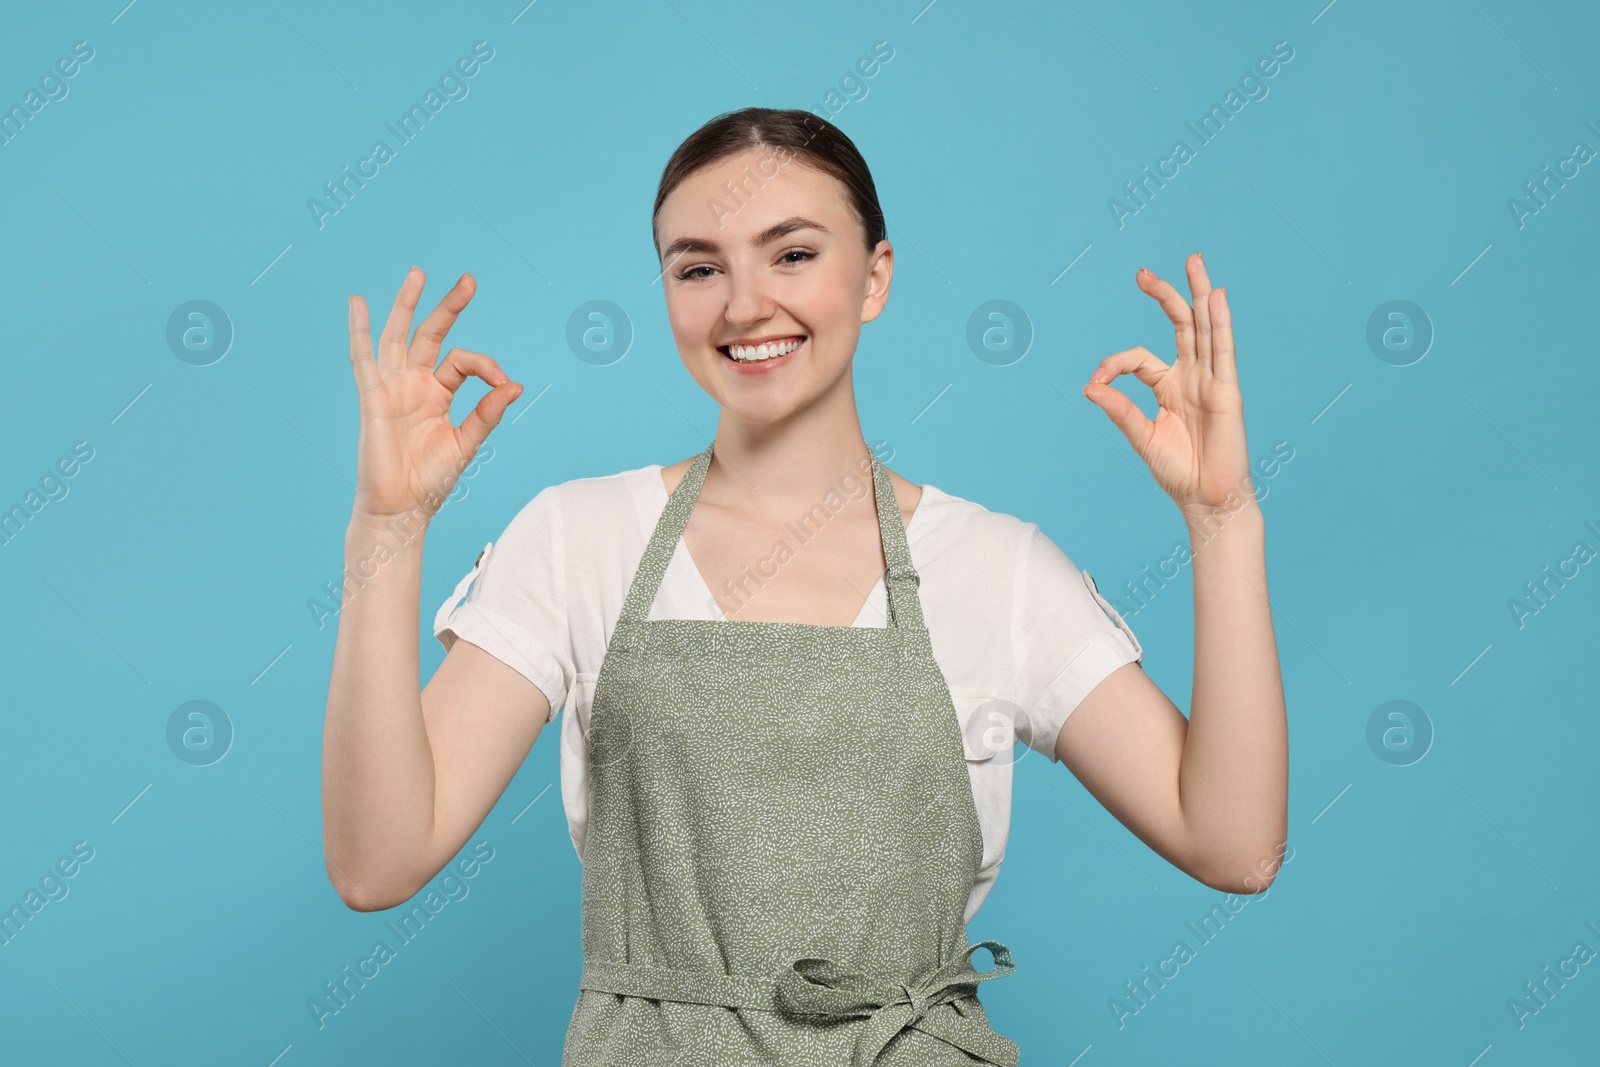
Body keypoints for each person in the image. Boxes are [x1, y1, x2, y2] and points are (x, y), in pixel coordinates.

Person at [321, 107, 1288, 1065]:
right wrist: (387, 532)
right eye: (699, 267)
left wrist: (1223, 519)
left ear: (875, 278)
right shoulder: (580, 539)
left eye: (791, 254)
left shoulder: (994, 568)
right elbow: (379, 861)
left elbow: (1234, 845)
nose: (743, 305)